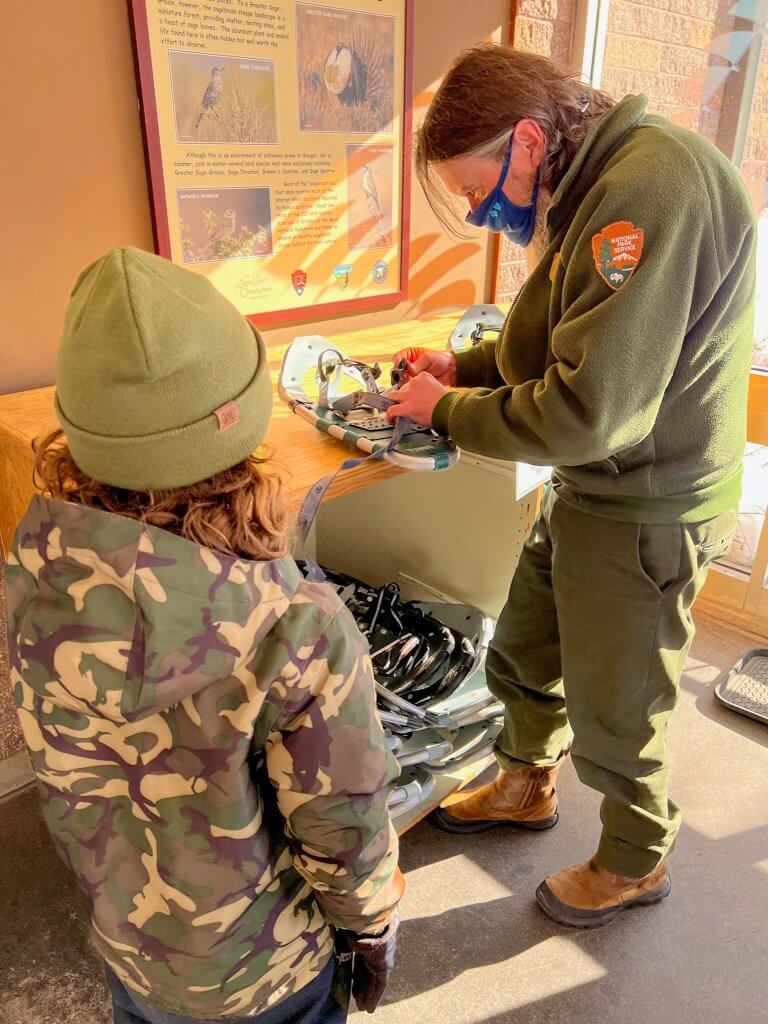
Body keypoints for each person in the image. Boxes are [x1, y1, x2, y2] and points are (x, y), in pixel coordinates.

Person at [388, 45, 755, 928]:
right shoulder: (594, 178)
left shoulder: (645, 191)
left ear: (525, 139)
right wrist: (463, 368)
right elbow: (565, 336)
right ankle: (524, 782)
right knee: (523, 648)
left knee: (620, 701)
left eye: (478, 190)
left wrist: (445, 412)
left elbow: (591, 412)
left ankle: (636, 858)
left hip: (644, 502)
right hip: (596, 487)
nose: (483, 212)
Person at [5, 248, 404, 1022]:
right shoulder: (295, 623)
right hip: (270, 974)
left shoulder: (33, 572)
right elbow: (341, 828)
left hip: (134, 952)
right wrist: (374, 925)